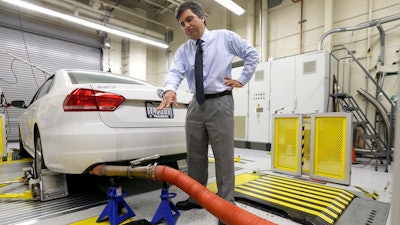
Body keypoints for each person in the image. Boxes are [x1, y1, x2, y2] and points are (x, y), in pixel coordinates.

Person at [157, 1, 259, 223]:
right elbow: (174, 72)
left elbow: (252, 54)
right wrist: (169, 90)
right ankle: (196, 197)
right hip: (196, 104)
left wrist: (241, 80)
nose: (186, 26)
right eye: (182, 24)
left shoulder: (224, 38)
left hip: (220, 102)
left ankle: (226, 205)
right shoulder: (184, 50)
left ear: (202, 17)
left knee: (223, 156)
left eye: (189, 19)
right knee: (195, 154)